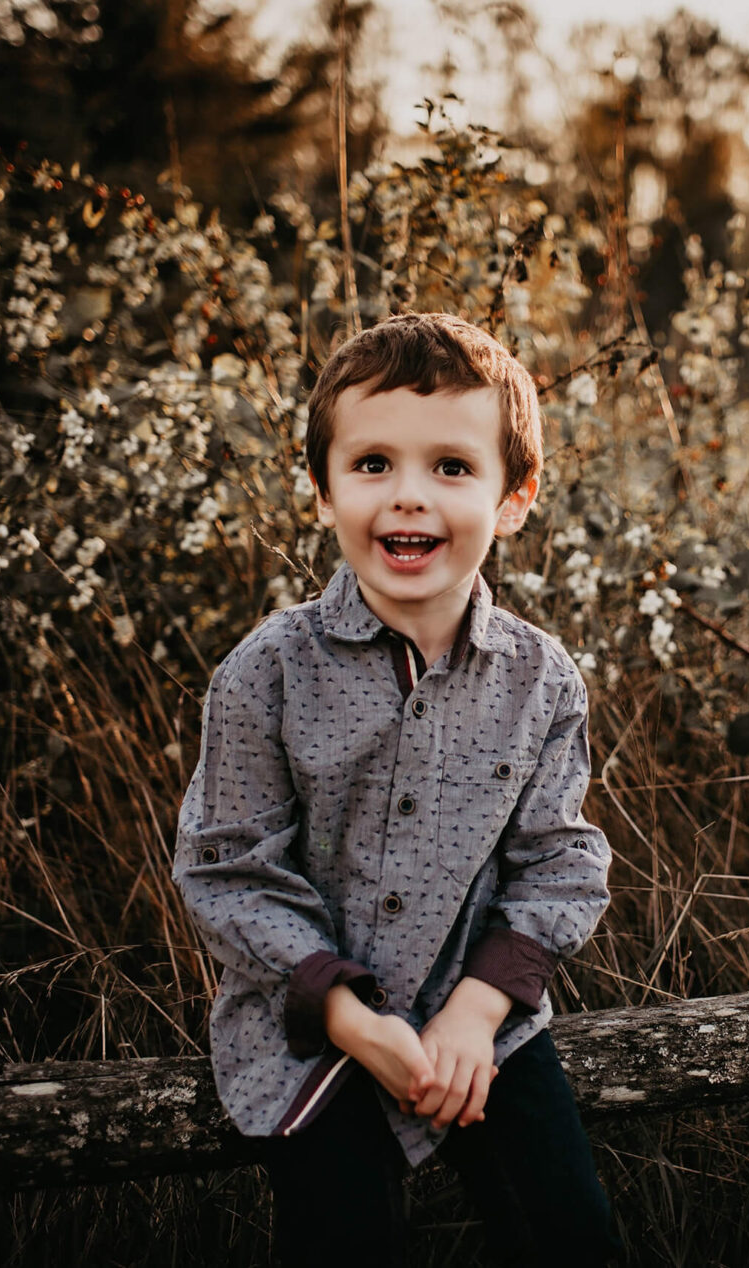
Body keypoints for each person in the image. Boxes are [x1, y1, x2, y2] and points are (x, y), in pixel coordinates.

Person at [173, 313, 618, 1267]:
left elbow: (561, 862)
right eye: (372, 463)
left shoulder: (541, 679)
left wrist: (479, 1009)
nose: (407, 498)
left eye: (452, 468)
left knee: (570, 1234)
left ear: (515, 499)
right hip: (310, 1030)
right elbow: (228, 871)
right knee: (344, 1240)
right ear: (323, 492)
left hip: (481, 1021)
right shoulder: (267, 673)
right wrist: (348, 1015)